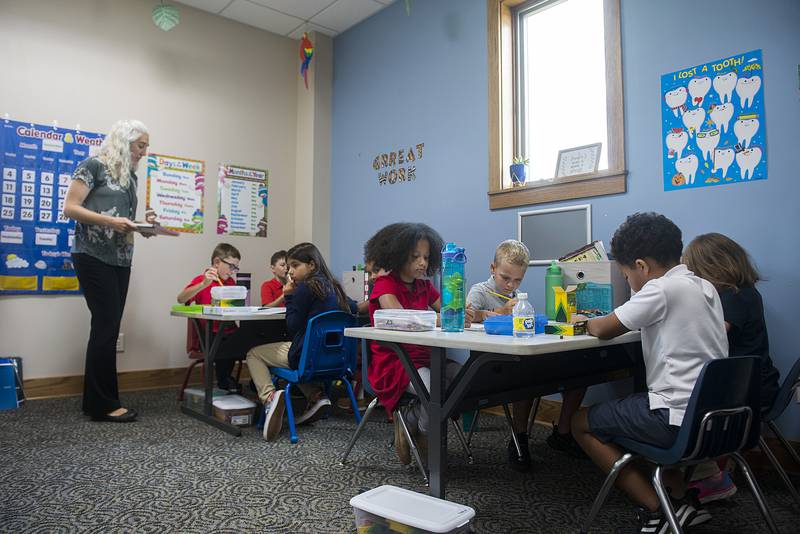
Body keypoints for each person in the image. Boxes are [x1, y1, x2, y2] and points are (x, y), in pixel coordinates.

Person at [571, 212, 728, 533]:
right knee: (646, 401)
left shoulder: (661, 289)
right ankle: (682, 503)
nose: (628, 282)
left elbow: (603, 328)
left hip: (675, 420)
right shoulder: (704, 287)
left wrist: (583, 319)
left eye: (626, 275)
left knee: (579, 422)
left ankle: (659, 509)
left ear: (641, 267)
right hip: (716, 419)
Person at [467, 239, 587, 471]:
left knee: (574, 369)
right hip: (489, 363)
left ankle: (562, 432)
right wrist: (498, 312)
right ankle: (519, 437)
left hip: (516, 357)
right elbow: (469, 316)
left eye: (517, 280)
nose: (511, 284)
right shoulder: (480, 290)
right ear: (493, 269)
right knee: (526, 376)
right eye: (505, 278)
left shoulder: (517, 295)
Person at [64, 119, 152, 423]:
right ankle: (104, 405)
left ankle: (97, 401)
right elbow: (71, 208)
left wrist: (141, 227)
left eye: (146, 146)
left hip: (121, 259)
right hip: (92, 256)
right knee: (105, 328)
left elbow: (123, 218)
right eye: (141, 145)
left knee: (107, 329)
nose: (144, 151)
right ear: (124, 142)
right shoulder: (93, 166)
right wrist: (110, 222)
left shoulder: (130, 176)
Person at [683, 233, 781, 503]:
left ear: (710, 268)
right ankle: (708, 469)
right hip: (757, 386)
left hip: (746, 394)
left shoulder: (734, 297)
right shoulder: (746, 293)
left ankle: (711, 475)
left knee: (682, 399)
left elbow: (714, 334)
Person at [364, 222, 472, 465]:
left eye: (426, 257)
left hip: (425, 357)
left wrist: (469, 313)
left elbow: (448, 310)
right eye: (415, 257)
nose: (423, 263)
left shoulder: (425, 285)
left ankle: (410, 420)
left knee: (464, 377)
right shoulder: (384, 286)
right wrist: (445, 317)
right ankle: (423, 431)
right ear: (398, 256)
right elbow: (403, 320)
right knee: (435, 387)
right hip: (395, 362)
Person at [246, 242, 352, 441]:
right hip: (335, 360)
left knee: (254, 353)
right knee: (299, 354)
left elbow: (293, 326)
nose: (290, 272)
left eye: (295, 266)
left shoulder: (304, 288)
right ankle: (316, 396)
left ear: (311, 265)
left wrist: (289, 296)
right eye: (288, 267)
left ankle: (269, 397)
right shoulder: (335, 287)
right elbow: (353, 309)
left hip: (307, 356)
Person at [176, 243, 244, 392]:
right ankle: (224, 381)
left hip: (228, 330)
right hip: (209, 333)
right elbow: (181, 299)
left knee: (246, 340)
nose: (233, 272)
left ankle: (229, 380)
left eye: (235, 268)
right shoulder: (202, 280)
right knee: (224, 345)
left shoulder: (230, 282)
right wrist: (203, 284)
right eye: (231, 266)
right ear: (217, 262)